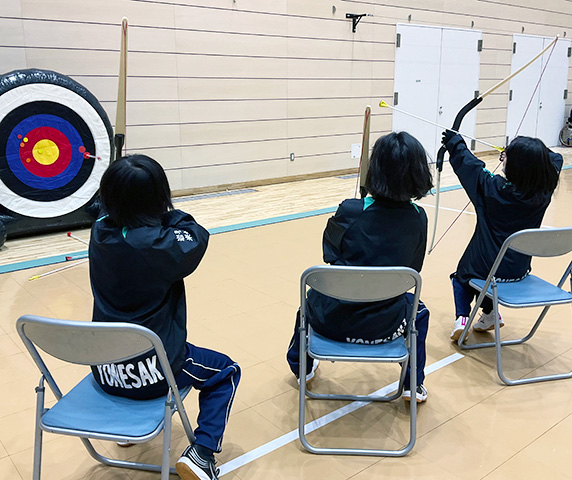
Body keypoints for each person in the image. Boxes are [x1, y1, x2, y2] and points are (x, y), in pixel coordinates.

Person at [89, 154, 240, 480]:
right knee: (226, 371)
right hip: (155, 371)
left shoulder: (99, 231)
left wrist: (119, 190)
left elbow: (112, 209)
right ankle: (202, 453)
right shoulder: (159, 244)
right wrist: (161, 209)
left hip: (106, 369)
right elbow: (195, 233)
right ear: (158, 200)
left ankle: (126, 431)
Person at [286, 131, 433, 402]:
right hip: (386, 326)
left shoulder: (351, 211)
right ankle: (414, 383)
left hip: (330, 321)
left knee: (308, 300)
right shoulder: (418, 217)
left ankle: (300, 367)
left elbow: (330, 255)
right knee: (419, 312)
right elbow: (413, 269)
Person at [443, 132, 563, 341]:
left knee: (463, 277)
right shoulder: (544, 190)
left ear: (516, 166)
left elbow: (469, 167)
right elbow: (556, 159)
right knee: (488, 276)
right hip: (519, 270)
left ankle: (462, 318)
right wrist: (526, 154)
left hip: (484, 270)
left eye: (506, 157)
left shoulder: (492, 189)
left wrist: (455, 143)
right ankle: (489, 314)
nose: (503, 158)